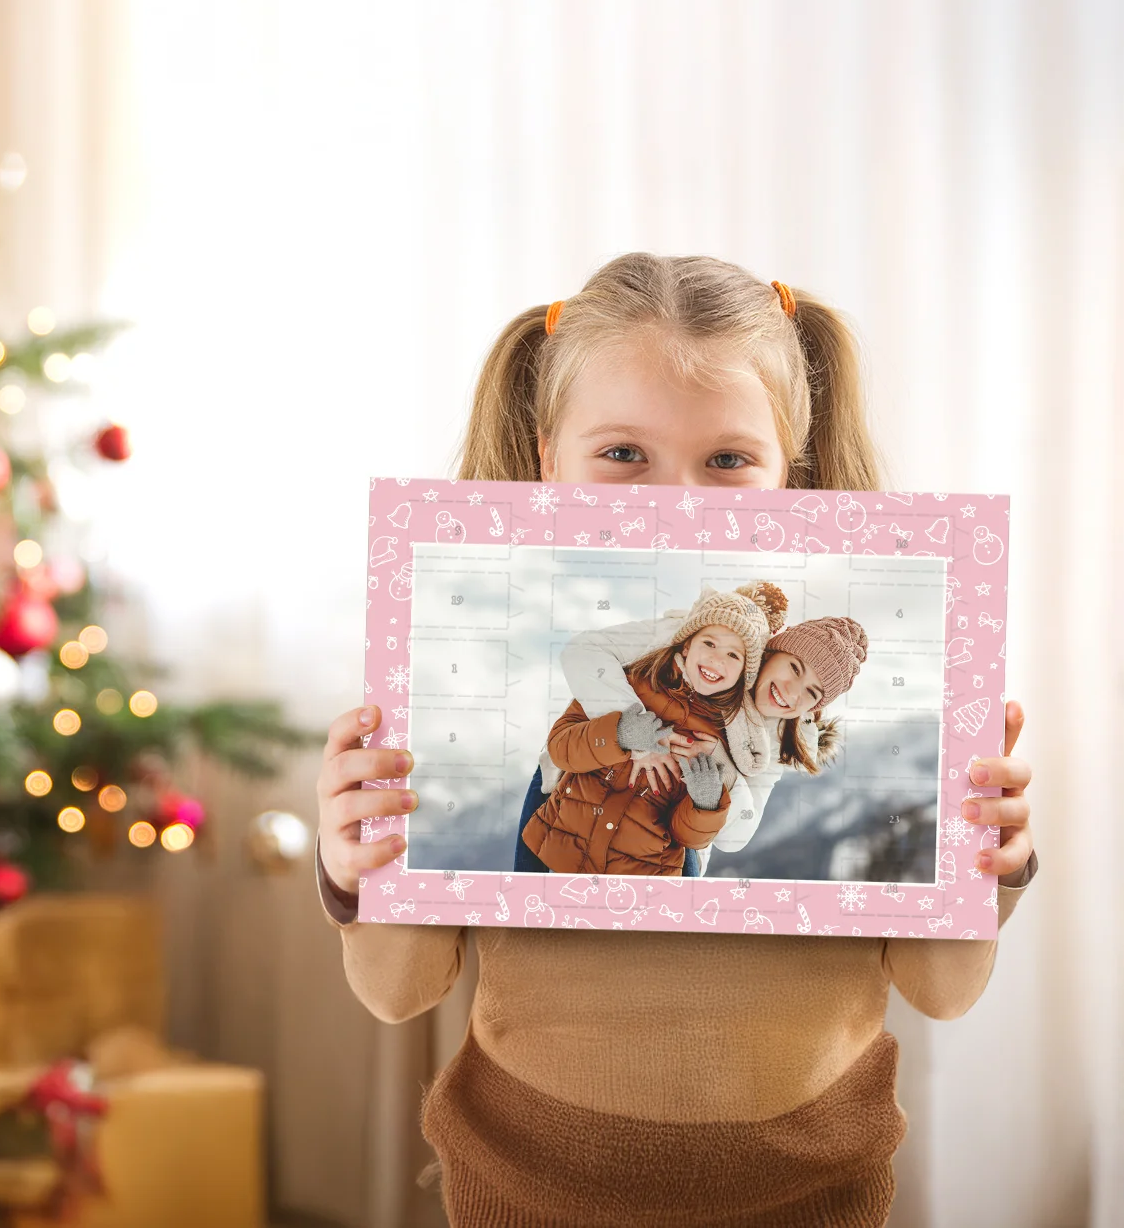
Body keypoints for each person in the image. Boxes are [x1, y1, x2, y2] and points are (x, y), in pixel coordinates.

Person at [315, 254, 1037, 1226]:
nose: (674, 499)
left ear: (794, 474)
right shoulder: (544, 681)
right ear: (545, 461)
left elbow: (942, 992)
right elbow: (398, 991)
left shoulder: (798, 721)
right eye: (622, 455)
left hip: (812, 1185)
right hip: (526, 1182)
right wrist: (355, 864)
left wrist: (992, 858)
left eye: (729, 460)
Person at [521, 584, 787, 877]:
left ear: (744, 674)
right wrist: (620, 733)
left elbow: (690, 839)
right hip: (563, 853)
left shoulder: (718, 739)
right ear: (687, 645)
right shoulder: (630, 681)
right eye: (709, 643)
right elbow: (561, 749)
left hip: (643, 877)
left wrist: (706, 802)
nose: (717, 659)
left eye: (734, 655)